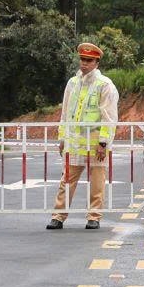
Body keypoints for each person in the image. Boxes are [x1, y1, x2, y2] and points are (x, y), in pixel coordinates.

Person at [48, 41, 118, 231]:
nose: (84, 63)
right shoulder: (73, 83)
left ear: (96, 63)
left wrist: (103, 143)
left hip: (95, 143)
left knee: (97, 182)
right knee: (67, 180)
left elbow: (109, 117)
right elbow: (65, 112)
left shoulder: (105, 85)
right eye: (82, 59)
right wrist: (62, 138)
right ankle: (58, 216)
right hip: (74, 142)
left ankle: (94, 217)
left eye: (88, 60)